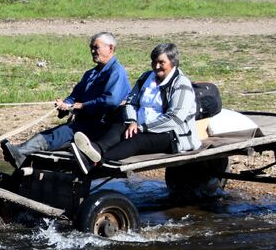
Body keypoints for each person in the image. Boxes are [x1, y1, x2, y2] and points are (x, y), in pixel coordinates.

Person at [3, 31, 130, 169]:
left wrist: (81, 106)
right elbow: (75, 96)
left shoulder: (117, 72)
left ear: (110, 48)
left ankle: (20, 153)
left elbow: (110, 101)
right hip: (84, 122)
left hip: (102, 125)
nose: (93, 51)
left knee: (60, 133)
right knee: (55, 133)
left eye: (96, 47)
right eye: (91, 48)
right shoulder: (90, 74)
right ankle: (20, 153)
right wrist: (65, 104)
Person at [72, 42, 200, 172]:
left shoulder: (181, 84)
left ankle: (97, 162)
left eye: (162, 63)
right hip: (141, 124)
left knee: (137, 140)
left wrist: (142, 128)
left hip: (172, 133)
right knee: (121, 125)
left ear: (173, 62)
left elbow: (175, 118)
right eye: (154, 62)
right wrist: (132, 121)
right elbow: (131, 102)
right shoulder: (146, 77)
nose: (156, 66)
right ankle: (96, 149)